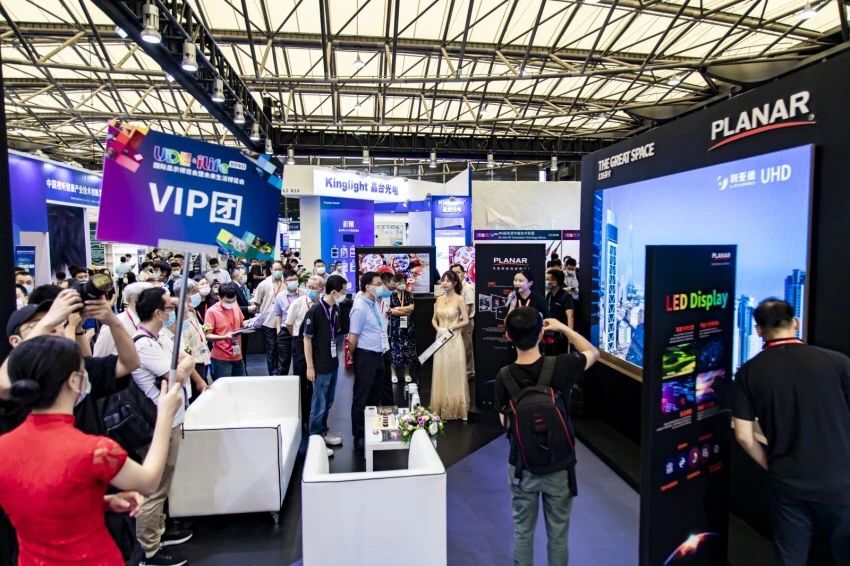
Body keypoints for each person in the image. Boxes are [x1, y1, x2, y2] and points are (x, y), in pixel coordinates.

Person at [0, 335, 183, 566]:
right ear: (75, 380)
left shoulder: (5, 445)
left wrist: (98, 501)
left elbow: (41, 500)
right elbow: (148, 482)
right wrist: (165, 416)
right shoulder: (93, 450)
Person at [732, 299, 850, 566]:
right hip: (841, 481)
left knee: (791, 557)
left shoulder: (749, 373)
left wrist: (771, 464)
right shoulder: (837, 362)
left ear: (758, 330)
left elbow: (743, 435)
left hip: (788, 482)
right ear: (795, 322)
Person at [496, 307, 599, 566]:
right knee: (558, 536)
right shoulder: (562, 365)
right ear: (541, 334)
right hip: (560, 464)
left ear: (508, 336)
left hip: (522, 465)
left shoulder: (504, 376)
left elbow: (505, 423)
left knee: (522, 533)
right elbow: (593, 352)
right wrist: (563, 328)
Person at [132, 288, 197, 566]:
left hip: (174, 418)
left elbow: (186, 358)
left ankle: (160, 530)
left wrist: (185, 363)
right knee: (155, 487)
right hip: (158, 424)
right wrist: (185, 364)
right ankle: (149, 549)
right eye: (169, 308)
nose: (173, 312)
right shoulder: (143, 345)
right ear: (158, 313)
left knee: (165, 482)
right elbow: (177, 373)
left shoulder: (162, 338)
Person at [303, 275, 347, 455]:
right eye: (343, 291)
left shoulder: (335, 308)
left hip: (332, 362)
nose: (344, 294)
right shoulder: (314, 311)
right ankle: (315, 440)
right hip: (319, 365)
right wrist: (310, 366)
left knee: (328, 401)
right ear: (334, 292)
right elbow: (307, 339)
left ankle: (323, 432)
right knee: (318, 403)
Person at [348, 271, 390, 449]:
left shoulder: (374, 303)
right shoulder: (360, 307)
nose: (381, 287)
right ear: (367, 287)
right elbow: (352, 337)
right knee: (362, 395)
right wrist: (353, 356)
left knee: (375, 394)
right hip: (365, 355)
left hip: (378, 354)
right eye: (378, 284)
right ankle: (359, 434)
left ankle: (372, 428)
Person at [431, 270, 470, 421]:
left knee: (455, 371)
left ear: (454, 283)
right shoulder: (439, 299)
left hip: (454, 339)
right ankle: (441, 406)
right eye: (443, 280)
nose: (445, 283)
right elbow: (433, 319)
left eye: (448, 281)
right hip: (440, 338)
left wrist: (452, 328)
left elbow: (465, 320)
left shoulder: (459, 299)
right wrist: (438, 329)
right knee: (441, 370)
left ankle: (458, 408)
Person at [286, 276, 324, 430]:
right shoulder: (298, 303)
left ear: (321, 289)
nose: (311, 290)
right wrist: (298, 338)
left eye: (315, 288)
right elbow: (289, 324)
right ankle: (302, 419)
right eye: (309, 286)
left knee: (317, 381)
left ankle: (315, 416)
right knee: (302, 382)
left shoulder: (322, 304)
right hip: (300, 343)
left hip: (317, 345)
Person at [94, 282, 153, 357]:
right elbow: (99, 356)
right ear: (136, 301)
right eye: (151, 300)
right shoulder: (114, 324)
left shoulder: (149, 320)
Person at [204, 282, 246, 379]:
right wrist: (224, 337)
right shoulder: (211, 312)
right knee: (224, 386)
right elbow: (207, 335)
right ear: (219, 298)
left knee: (240, 385)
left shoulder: (235, 306)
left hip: (238, 355)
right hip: (221, 359)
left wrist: (249, 323)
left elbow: (241, 323)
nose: (231, 304)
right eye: (228, 301)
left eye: (233, 300)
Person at [252, 261, 287, 375]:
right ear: (271, 270)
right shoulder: (263, 284)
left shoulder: (286, 283)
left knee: (282, 349)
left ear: (283, 270)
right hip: (268, 322)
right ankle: (273, 373)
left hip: (284, 322)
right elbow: (257, 302)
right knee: (271, 349)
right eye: (275, 269)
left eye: (279, 269)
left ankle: (282, 373)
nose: (277, 271)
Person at [181, 280, 212, 397]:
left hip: (202, 359)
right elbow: (184, 350)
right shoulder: (182, 317)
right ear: (185, 295)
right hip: (193, 366)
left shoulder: (192, 311)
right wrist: (197, 379)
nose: (198, 294)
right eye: (194, 292)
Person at [387, 272, 416, 384]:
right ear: (395, 283)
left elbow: (411, 308)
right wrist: (402, 310)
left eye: (403, 282)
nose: (402, 284)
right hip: (394, 327)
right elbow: (390, 310)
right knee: (394, 349)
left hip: (407, 326)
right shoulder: (390, 295)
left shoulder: (409, 294)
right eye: (399, 282)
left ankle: (406, 373)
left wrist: (397, 309)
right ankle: (393, 373)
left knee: (408, 349)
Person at [274, 269, 304, 375]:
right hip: (285, 331)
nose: (293, 282)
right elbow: (278, 314)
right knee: (283, 363)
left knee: (300, 362)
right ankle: (282, 383)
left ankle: (300, 384)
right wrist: (278, 330)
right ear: (285, 281)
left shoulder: (304, 293)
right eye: (290, 280)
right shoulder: (280, 296)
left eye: (295, 279)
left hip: (299, 330)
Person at [451, 263, 476, 383]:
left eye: (458, 272)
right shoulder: (455, 289)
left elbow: (468, 308)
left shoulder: (468, 288)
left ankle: (469, 372)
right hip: (455, 323)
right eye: (453, 273)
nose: (456, 275)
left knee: (466, 347)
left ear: (464, 273)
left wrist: (461, 321)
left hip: (466, 322)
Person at [544, 269, 575, 356]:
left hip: (561, 334)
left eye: (548, 279)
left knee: (560, 357)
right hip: (549, 333)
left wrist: (570, 335)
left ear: (555, 282)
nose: (546, 281)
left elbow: (570, 316)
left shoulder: (566, 296)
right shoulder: (549, 295)